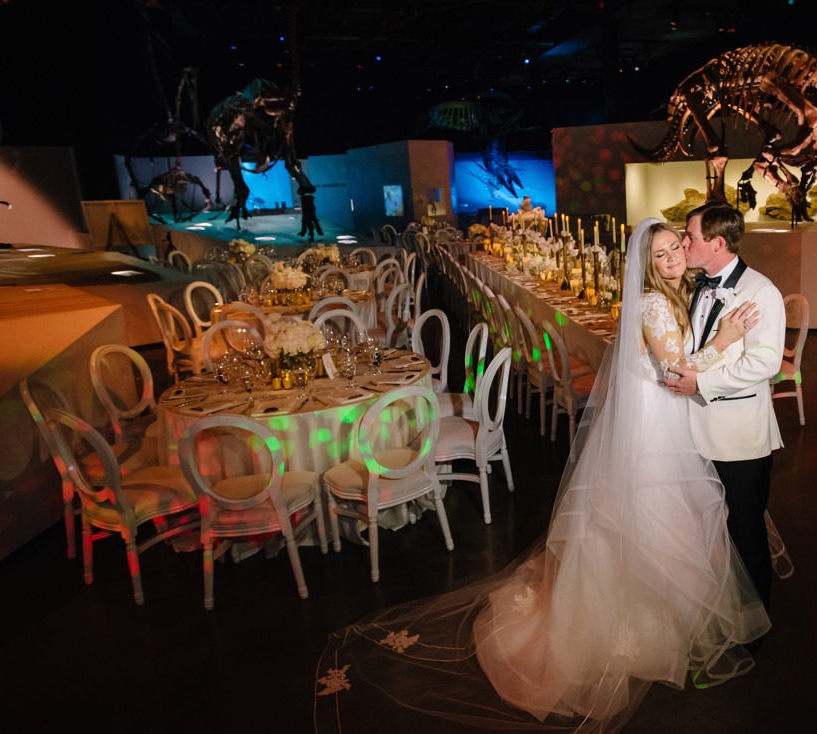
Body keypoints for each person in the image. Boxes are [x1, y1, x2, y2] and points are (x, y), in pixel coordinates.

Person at [314, 218, 770, 733]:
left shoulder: (669, 294)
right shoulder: (652, 302)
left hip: (663, 420)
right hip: (657, 424)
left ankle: (670, 617)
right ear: (645, 262)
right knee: (654, 517)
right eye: (661, 253)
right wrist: (728, 337)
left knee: (664, 520)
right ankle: (648, 626)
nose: (672, 258)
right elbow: (672, 373)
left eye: (675, 248)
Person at [665, 202, 786, 615]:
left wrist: (701, 382)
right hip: (695, 431)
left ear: (717, 243)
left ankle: (754, 624)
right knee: (712, 530)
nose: (684, 243)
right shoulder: (700, 283)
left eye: (690, 237)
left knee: (746, 532)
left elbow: (765, 363)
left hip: (738, 438)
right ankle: (723, 609)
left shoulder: (760, 291)